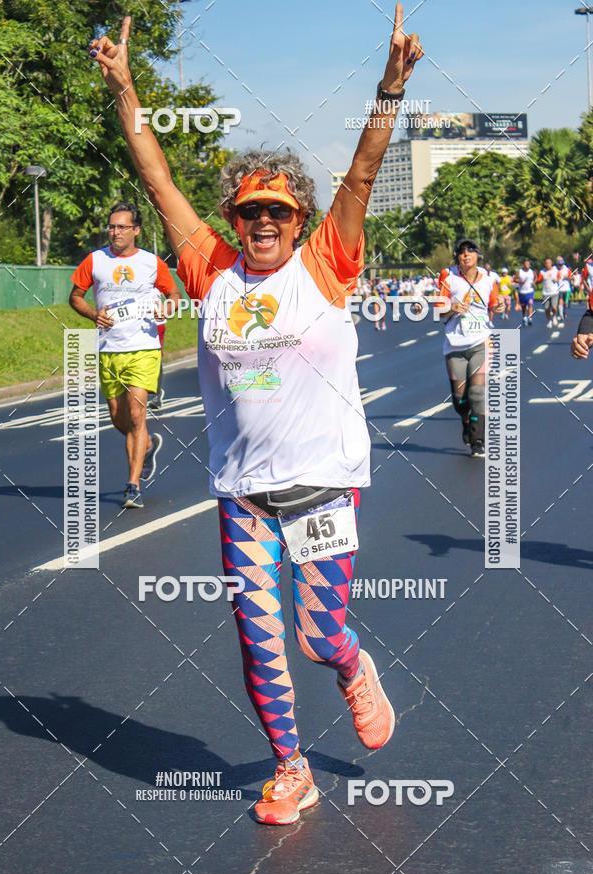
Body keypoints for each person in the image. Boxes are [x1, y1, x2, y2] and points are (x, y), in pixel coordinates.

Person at [88, 6, 423, 824]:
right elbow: (158, 178)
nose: (263, 221)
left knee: (316, 637)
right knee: (258, 637)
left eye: (277, 210)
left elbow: (362, 175)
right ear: (235, 222)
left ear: (299, 219)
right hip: (242, 491)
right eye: (250, 212)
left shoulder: (325, 263)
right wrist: (128, 87)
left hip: (321, 488)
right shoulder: (211, 270)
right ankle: (290, 768)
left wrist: (387, 91)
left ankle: (351, 668)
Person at [69, 202, 181, 508]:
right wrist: (93, 314)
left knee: (135, 413)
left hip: (144, 347)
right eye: (111, 226)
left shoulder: (151, 262)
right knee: (119, 418)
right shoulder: (95, 260)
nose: (114, 232)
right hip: (109, 349)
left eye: (121, 227)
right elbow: (75, 297)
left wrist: (166, 308)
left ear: (136, 230)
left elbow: (174, 296)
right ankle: (145, 444)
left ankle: (133, 486)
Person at [437, 238, 504, 457]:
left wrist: (501, 304)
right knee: (460, 400)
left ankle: (478, 441)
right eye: (462, 252)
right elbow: (439, 311)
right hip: (455, 344)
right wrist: (452, 307)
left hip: (480, 342)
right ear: (457, 256)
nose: (466, 255)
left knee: (477, 393)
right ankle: (465, 420)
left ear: (478, 255)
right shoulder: (448, 277)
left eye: (471, 251)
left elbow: (495, 304)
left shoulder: (488, 278)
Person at [539, 258, 559, 328]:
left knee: (554, 307)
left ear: (551, 263)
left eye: (549, 263)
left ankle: (554, 317)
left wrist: (557, 279)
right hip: (545, 292)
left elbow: (559, 277)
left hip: (554, 292)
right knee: (547, 308)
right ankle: (549, 321)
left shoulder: (555, 270)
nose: (547, 264)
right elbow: (539, 280)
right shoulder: (542, 272)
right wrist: (541, 279)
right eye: (546, 263)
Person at [516, 259, 535, 326]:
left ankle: (530, 318)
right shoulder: (519, 271)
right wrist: (520, 282)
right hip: (522, 292)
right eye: (525, 264)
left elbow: (536, 278)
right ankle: (524, 317)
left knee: (530, 304)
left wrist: (534, 282)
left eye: (528, 264)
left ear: (529, 265)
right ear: (523, 265)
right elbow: (515, 279)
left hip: (530, 291)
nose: (527, 266)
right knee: (524, 306)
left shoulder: (532, 271)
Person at [556, 257, 572, 325]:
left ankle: (564, 312)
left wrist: (568, 277)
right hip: (559, 288)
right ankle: (561, 315)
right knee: (560, 301)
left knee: (565, 303)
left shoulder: (567, 269)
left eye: (561, 264)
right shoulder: (555, 270)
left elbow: (572, 277)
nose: (560, 266)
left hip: (566, 288)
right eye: (559, 265)